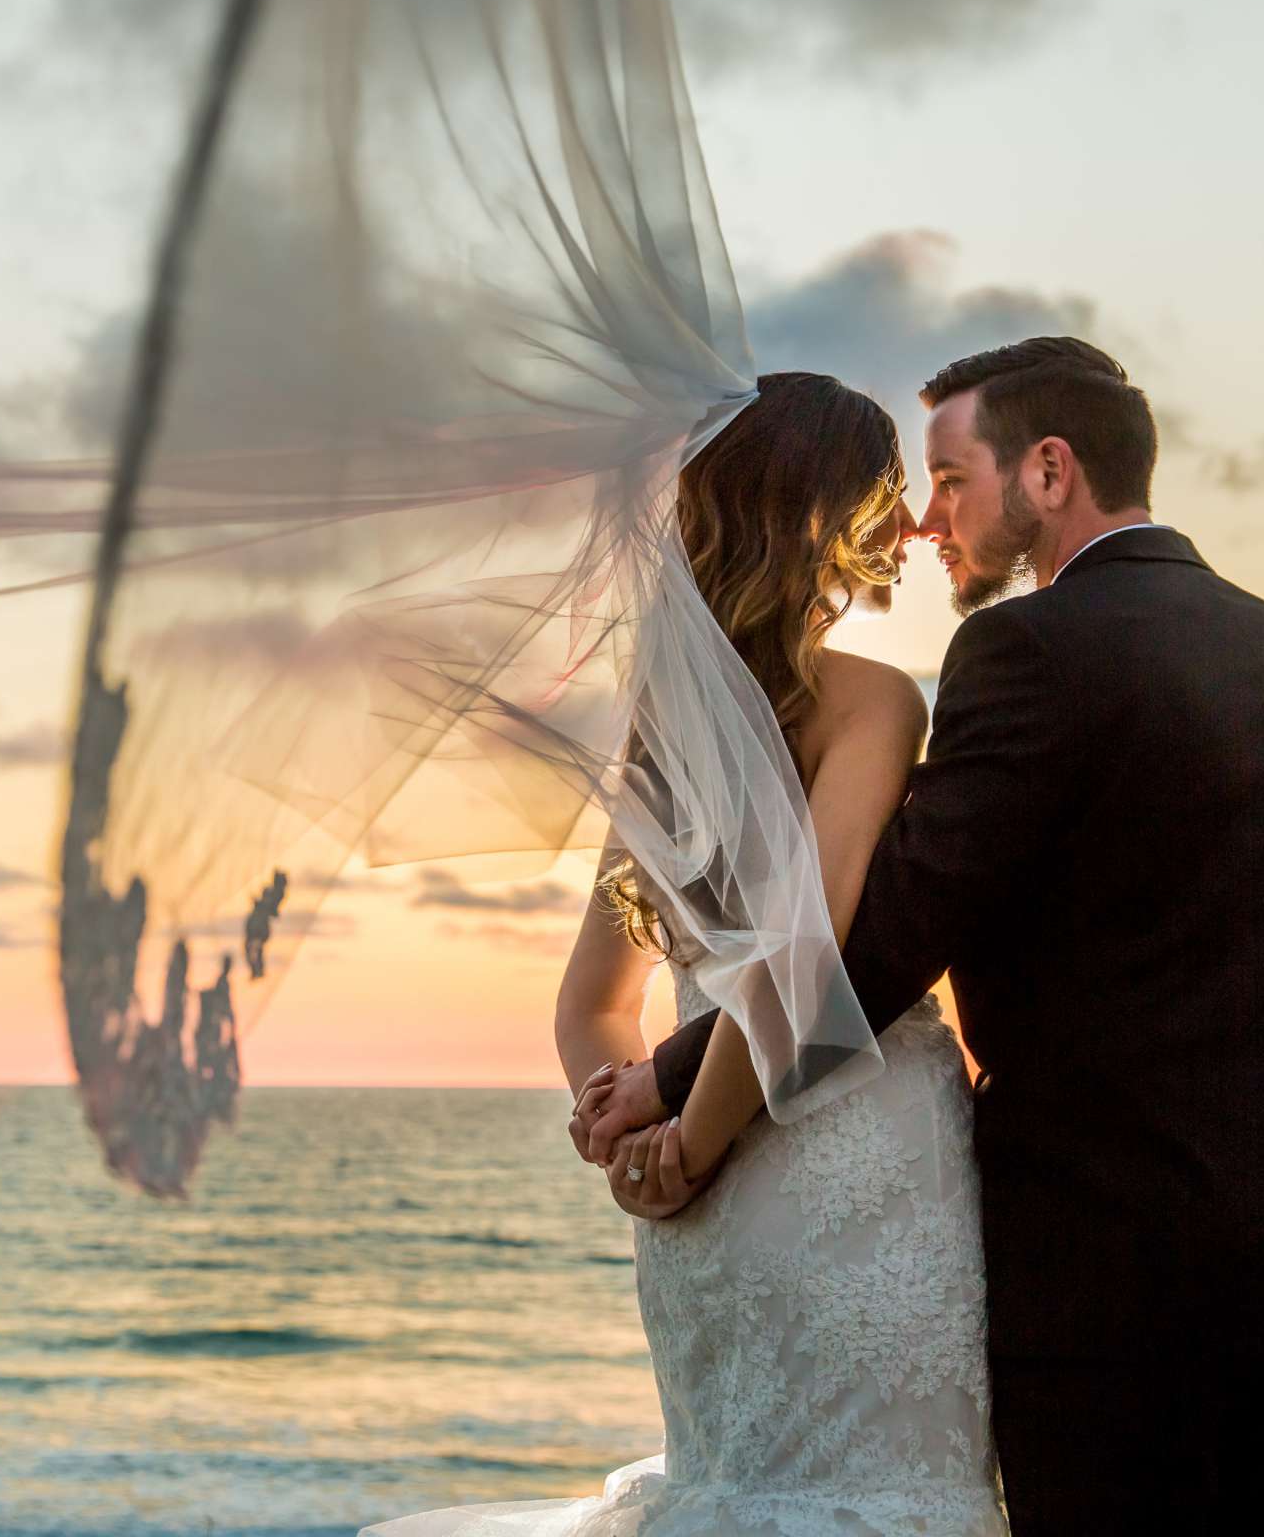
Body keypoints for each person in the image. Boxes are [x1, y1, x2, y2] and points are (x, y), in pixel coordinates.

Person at [580, 337, 1264, 1535]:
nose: (930, 522)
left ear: (1048, 471)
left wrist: (672, 1082)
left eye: (951, 479)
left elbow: (893, 930)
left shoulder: (1028, 649)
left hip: (1103, 1246)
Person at [364, 369, 1010, 1536]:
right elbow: (806, 963)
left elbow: (589, 1009)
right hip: (838, 1165)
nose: (908, 526)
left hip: (704, 1222)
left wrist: (631, 1147)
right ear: (827, 516)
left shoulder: (664, 736)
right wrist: (695, 1143)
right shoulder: (871, 701)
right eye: (885, 497)